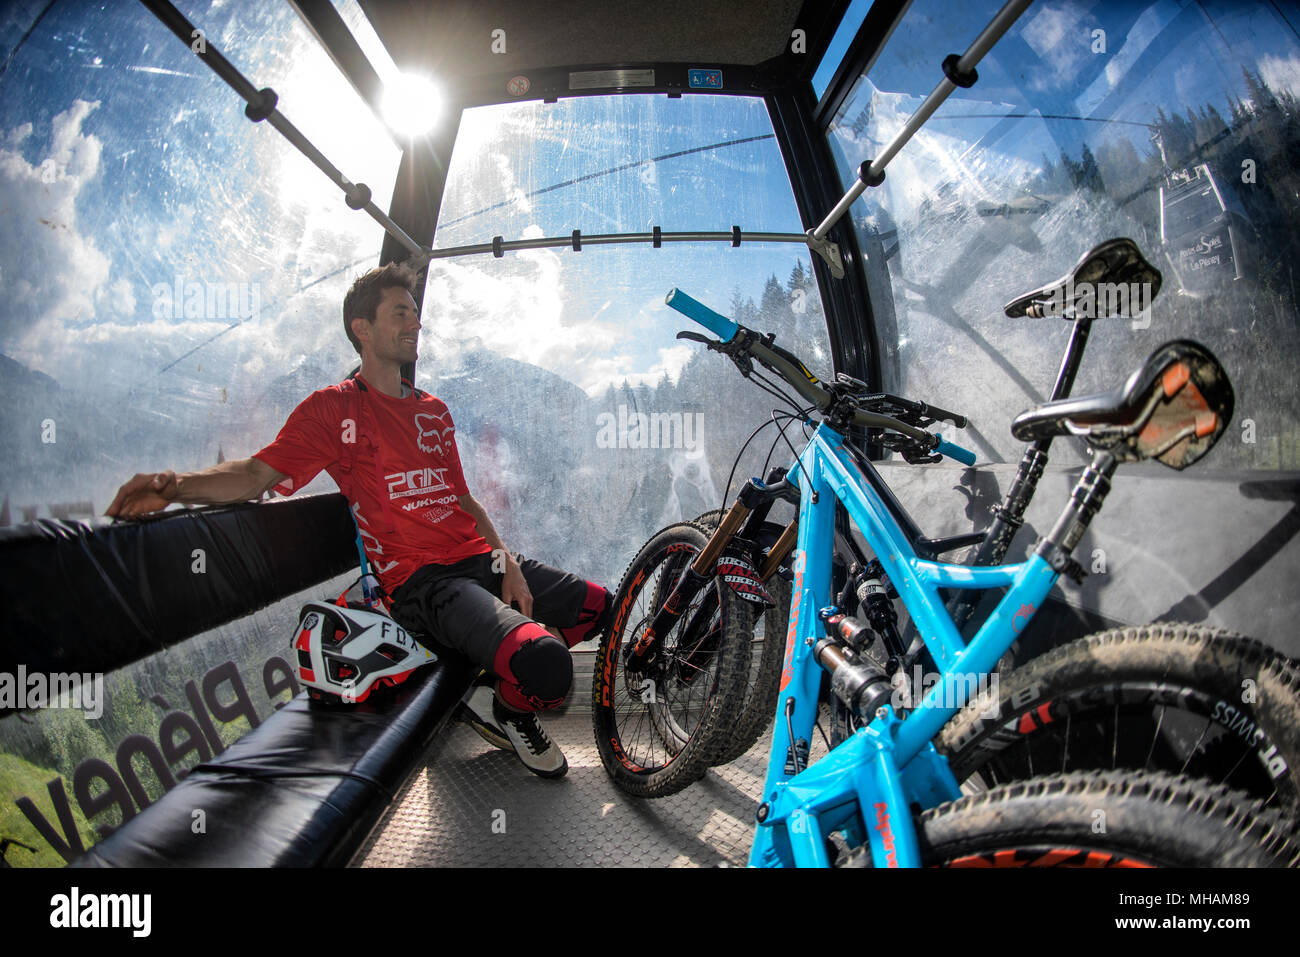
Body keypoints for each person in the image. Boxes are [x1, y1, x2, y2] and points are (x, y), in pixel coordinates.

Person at [106, 263, 612, 778]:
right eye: (400, 313)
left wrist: (509, 564)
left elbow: (465, 501)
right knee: (546, 666)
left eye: (416, 314)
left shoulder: (433, 411)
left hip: (482, 561)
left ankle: (498, 685)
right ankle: (512, 710)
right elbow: (256, 474)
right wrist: (174, 487)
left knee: (601, 609)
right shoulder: (334, 410)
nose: (415, 324)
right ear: (362, 329)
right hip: (425, 586)